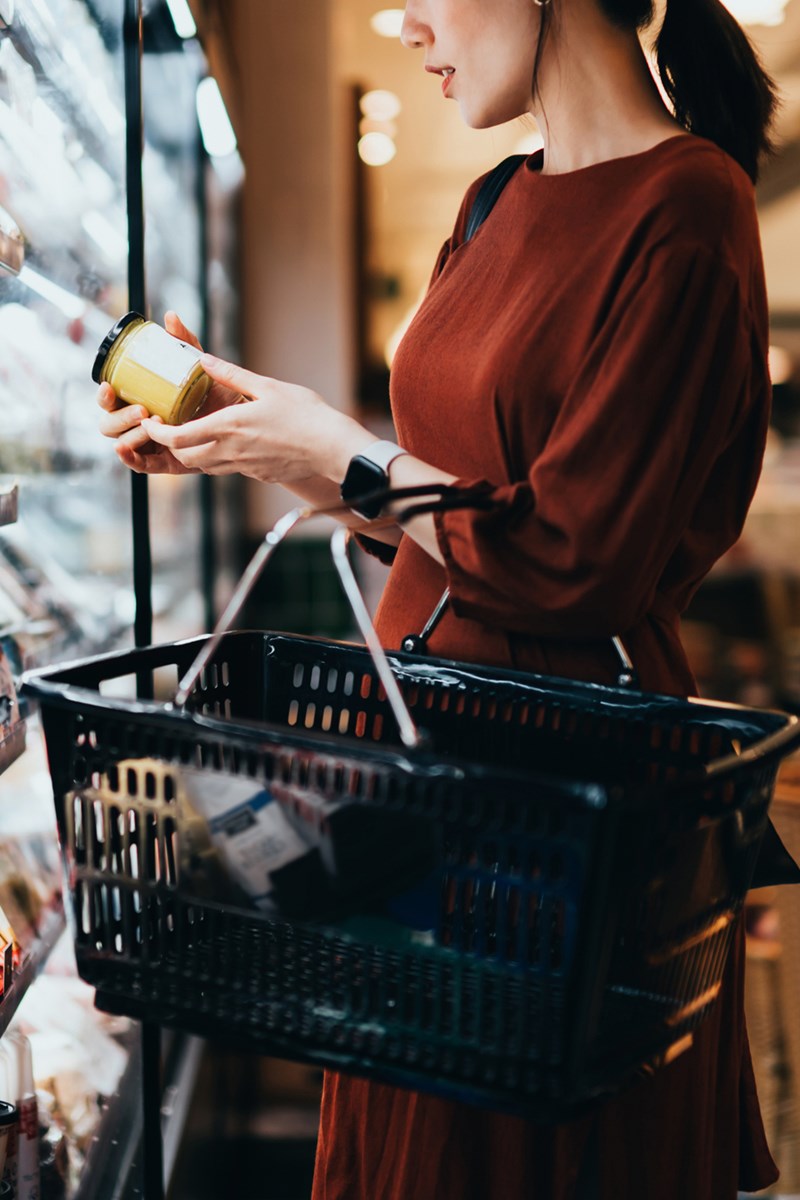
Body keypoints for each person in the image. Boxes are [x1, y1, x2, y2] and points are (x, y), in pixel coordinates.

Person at [98, 0, 783, 1194]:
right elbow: (461, 523)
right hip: (424, 781)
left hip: (559, 807)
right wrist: (270, 442)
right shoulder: (490, 202)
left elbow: (574, 561)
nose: (402, 20)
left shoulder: (686, 204)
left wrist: (342, 450)